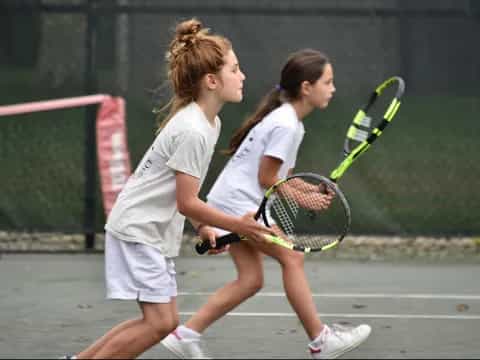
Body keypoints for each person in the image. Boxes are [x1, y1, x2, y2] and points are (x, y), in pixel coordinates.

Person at [61, 18, 275, 360]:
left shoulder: (209, 123)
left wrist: (204, 227)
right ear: (211, 80)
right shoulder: (193, 129)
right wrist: (239, 225)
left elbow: (183, 195)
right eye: (235, 69)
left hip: (147, 229)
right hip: (138, 230)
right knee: (160, 323)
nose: (243, 76)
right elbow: (187, 201)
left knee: (162, 321)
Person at [161, 49, 371, 359]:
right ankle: (320, 340)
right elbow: (267, 177)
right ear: (306, 87)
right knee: (292, 259)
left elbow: (282, 175)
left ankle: (185, 334)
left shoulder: (288, 121)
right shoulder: (286, 124)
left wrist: (308, 192)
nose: (333, 88)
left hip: (232, 200)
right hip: (239, 206)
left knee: (250, 280)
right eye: (328, 82)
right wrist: (305, 198)